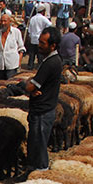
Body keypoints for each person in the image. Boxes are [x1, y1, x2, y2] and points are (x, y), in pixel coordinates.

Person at [19, 26, 62, 176]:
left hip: (42, 111)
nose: (39, 45)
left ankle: (41, 174)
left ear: (52, 45)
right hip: (43, 109)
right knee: (35, 142)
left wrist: (29, 84)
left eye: (43, 43)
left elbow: (30, 86)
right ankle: (32, 171)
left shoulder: (50, 63)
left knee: (39, 144)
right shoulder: (50, 61)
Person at [0, 14, 25, 80]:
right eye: (1, 21)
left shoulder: (16, 32)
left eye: (5, 21)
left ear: (9, 21)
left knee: (11, 85)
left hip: (12, 65)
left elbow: (21, 48)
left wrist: (19, 62)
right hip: (0, 66)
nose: (3, 23)